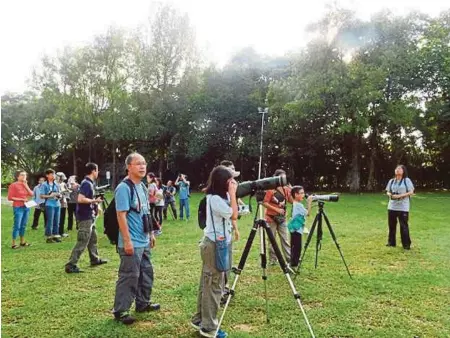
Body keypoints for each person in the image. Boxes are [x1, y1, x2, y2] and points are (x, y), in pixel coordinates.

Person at [190, 165, 238, 338]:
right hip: (213, 246)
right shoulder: (215, 199)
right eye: (231, 181)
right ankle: (208, 327)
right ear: (223, 182)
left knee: (207, 283)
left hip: (215, 243)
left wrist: (232, 194)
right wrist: (233, 193)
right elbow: (233, 214)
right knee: (214, 285)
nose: (234, 183)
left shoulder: (218, 196)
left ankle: (199, 319)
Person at [113, 153, 159, 325]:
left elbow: (146, 212)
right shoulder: (124, 188)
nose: (142, 166)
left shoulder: (143, 186)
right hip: (131, 242)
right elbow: (121, 215)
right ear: (129, 167)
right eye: (138, 163)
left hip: (144, 240)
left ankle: (143, 303)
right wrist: (127, 240)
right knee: (129, 276)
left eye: (144, 163)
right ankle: (121, 310)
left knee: (147, 273)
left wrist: (151, 234)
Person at [65, 163, 108, 273]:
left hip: (90, 215)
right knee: (83, 240)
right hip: (85, 217)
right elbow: (80, 199)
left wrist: (96, 206)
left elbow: (89, 198)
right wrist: (95, 201)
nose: (98, 173)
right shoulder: (86, 184)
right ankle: (71, 264)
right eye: (97, 170)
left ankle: (94, 259)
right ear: (93, 171)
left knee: (93, 238)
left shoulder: (90, 183)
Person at [262, 169, 293, 265]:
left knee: (285, 239)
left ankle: (289, 258)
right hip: (271, 218)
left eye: (284, 177)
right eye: (282, 177)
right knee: (272, 240)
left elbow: (291, 201)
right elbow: (264, 203)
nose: (284, 179)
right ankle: (273, 260)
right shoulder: (270, 189)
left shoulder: (285, 189)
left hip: (282, 218)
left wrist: (292, 191)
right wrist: (277, 210)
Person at [385, 164, 415, 250]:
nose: (397, 170)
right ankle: (391, 242)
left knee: (403, 226)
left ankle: (406, 245)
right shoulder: (391, 181)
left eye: (400, 169)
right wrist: (390, 194)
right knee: (391, 226)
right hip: (392, 206)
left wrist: (400, 196)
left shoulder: (406, 180)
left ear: (403, 171)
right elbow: (387, 191)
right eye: (396, 168)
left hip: (403, 207)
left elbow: (411, 192)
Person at [288, 186, 313, 270]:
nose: (303, 195)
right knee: (297, 248)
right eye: (301, 193)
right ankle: (293, 265)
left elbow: (304, 211)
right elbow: (308, 213)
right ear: (295, 195)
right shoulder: (299, 205)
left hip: (293, 229)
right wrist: (309, 202)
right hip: (297, 230)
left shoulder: (296, 204)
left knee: (294, 246)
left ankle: (292, 262)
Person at [7, 170, 34, 249]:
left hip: (26, 207)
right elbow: (10, 197)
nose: (24, 176)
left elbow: (32, 194)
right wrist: (21, 199)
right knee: (17, 225)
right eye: (22, 175)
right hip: (18, 207)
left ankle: (22, 242)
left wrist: (26, 185)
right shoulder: (13, 185)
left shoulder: (25, 184)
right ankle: (13, 243)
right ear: (17, 176)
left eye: (25, 175)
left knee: (24, 225)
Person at [40, 169, 63, 243]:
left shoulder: (56, 184)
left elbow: (60, 193)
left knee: (57, 221)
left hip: (57, 204)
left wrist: (59, 195)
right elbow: (41, 196)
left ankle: (55, 235)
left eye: (54, 174)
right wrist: (50, 196)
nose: (53, 176)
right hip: (49, 204)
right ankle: (49, 237)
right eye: (52, 174)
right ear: (47, 175)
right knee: (50, 221)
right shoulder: (44, 184)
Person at [56, 172, 69, 238]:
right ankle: (56, 232)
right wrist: (60, 193)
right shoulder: (55, 184)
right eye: (61, 178)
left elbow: (67, 192)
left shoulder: (64, 184)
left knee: (62, 218)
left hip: (63, 202)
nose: (62, 180)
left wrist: (67, 191)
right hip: (57, 203)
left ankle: (61, 232)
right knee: (57, 218)